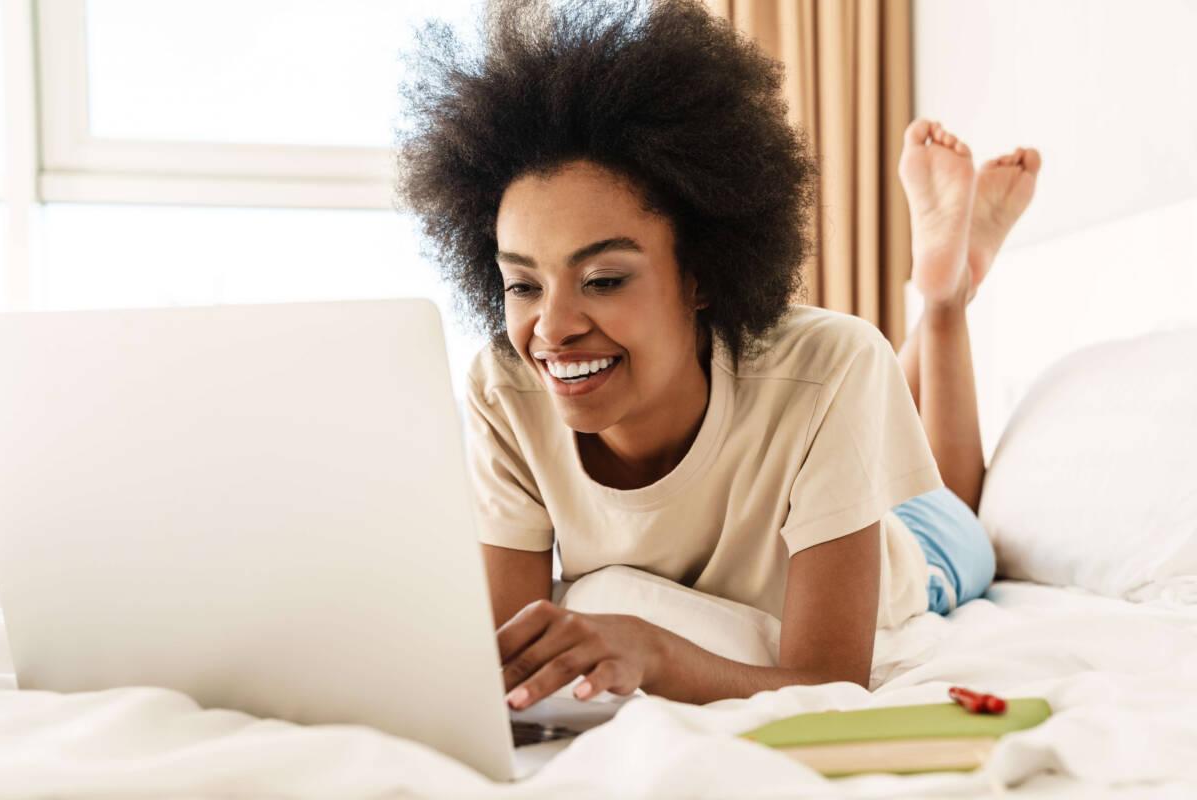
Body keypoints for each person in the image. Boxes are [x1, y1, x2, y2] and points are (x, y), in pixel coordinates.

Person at [395, 0, 1041, 711]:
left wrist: (654, 650)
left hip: (913, 551)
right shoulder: (504, 389)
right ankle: (942, 294)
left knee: (955, 511)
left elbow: (830, 684)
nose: (552, 329)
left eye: (604, 280)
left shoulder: (833, 362)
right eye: (522, 283)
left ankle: (944, 300)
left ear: (699, 275)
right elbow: (509, 661)